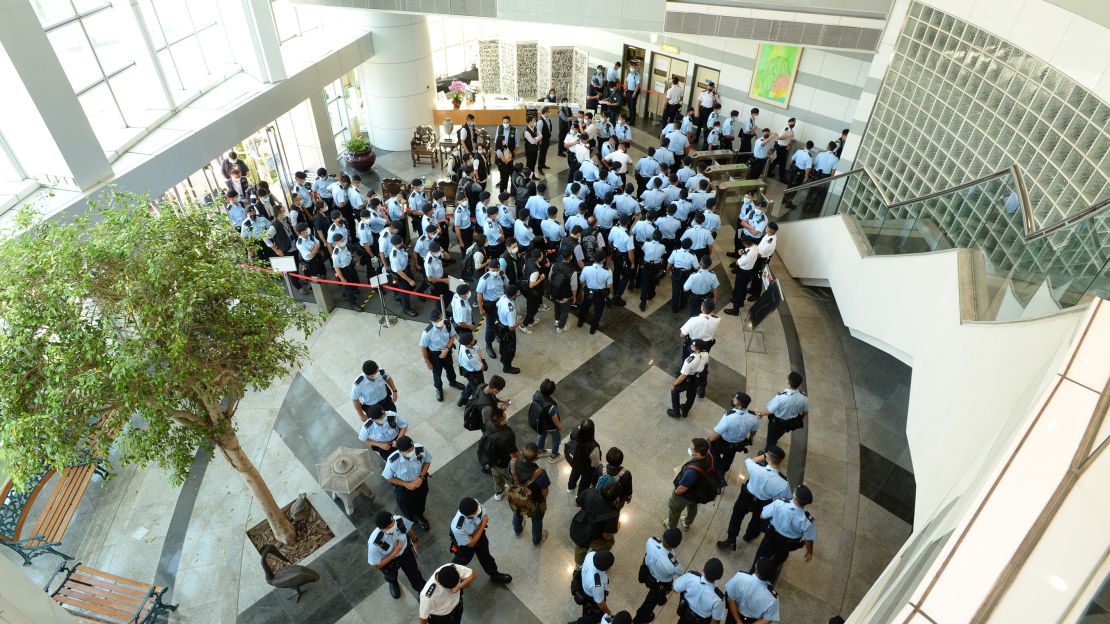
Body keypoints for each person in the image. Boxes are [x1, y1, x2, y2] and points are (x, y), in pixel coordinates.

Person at [717, 446, 790, 551]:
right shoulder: (783, 483)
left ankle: (731, 540)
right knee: (757, 520)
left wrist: (764, 456)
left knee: (737, 516)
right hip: (764, 502)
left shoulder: (755, 468)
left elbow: (749, 460)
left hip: (746, 496)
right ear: (781, 461)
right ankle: (749, 535)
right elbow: (786, 498)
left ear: (767, 457)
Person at [751, 485, 816, 581]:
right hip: (787, 545)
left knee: (761, 555)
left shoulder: (779, 504)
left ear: (794, 496)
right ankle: (769, 577)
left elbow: (762, 515)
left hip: (771, 537)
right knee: (778, 559)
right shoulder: (808, 520)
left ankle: (753, 573)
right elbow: (809, 539)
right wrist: (809, 551)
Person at [449, 497, 513, 584]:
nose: (478, 511)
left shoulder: (475, 504)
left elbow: (485, 517)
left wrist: (473, 535)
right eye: (475, 513)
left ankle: (494, 575)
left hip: (478, 537)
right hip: (464, 545)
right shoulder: (458, 527)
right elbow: (471, 544)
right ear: (467, 515)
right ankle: (453, 574)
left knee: (486, 557)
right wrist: (482, 526)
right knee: (463, 559)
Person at [368, 510, 426, 600]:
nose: (393, 526)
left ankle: (421, 590)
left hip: (405, 553)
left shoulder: (398, 520)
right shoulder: (374, 544)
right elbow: (376, 565)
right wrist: (395, 552)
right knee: (391, 575)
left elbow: (408, 529)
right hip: (389, 561)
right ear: (382, 529)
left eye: (393, 523)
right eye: (389, 527)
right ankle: (393, 582)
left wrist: (414, 540)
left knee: (414, 573)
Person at [633, 528, 684, 624]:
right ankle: (638, 619)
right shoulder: (674, 565)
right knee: (649, 604)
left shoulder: (651, 541)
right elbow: (682, 575)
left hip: (645, 572)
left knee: (649, 601)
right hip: (660, 585)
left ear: (662, 535)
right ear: (677, 545)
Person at [382, 436, 433, 531]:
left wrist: (421, 476)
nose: (412, 451)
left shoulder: (419, 449)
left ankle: (419, 516)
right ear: (401, 451)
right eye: (409, 451)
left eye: (412, 448)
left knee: (421, 499)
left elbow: (427, 461)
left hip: (420, 481)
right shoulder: (393, 461)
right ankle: (411, 518)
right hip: (404, 486)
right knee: (406, 504)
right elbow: (388, 477)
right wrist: (406, 484)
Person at [666, 437, 715, 530]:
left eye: (691, 448)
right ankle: (687, 522)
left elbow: (682, 489)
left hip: (685, 495)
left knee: (674, 510)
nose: (689, 448)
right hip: (697, 492)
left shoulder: (691, 472)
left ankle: (671, 527)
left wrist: (675, 493)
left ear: (697, 454)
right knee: (692, 506)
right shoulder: (709, 456)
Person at [708, 392, 760, 479]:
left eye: (735, 399)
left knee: (713, 452)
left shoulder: (729, 416)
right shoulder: (753, 416)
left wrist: (709, 441)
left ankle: (718, 472)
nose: (733, 400)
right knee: (728, 458)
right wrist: (751, 438)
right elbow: (754, 430)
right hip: (738, 444)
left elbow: (717, 433)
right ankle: (723, 470)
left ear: (739, 405)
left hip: (723, 441)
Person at [420, 308, 465, 402]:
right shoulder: (427, 333)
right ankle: (439, 388)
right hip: (435, 354)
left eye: (440, 319)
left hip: (447, 351)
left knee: (450, 368)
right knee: (437, 373)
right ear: (431, 321)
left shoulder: (448, 324)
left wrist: (447, 349)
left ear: (442, 316)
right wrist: (427, 362)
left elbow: (452, 337)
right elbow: (423, 348)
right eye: (436, 321)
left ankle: (452, 382)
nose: (439, 322)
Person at [511, 443, 551, 547]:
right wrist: (543, 500)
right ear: (537, 456)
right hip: (535, 502)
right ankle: (536, 541)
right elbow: (545, 491)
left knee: (517, 513)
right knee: (537, 521)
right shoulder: (540, 473)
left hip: (517, 497)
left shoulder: (512, 463)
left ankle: (518, 531)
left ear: (521, 453)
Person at [573, 483, 621, 565]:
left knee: (580, 546)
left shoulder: (589, 492)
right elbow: (606, 536)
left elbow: (575, 503)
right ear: (616, 498)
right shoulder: (613, 514)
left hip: (582, 528)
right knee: (609, 543)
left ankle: (579, 564)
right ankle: (596, 559)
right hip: (596, 537)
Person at [680, 299, 720, 398]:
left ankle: (685, 376)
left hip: (694, 345)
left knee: (687, 360)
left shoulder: (694, 320)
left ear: (702, 308)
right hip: (706, 346)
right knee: (703, 364)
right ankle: (702, 388)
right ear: (712, 310)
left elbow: (682, 334)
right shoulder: (717, 319)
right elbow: (712, 314)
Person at [481, 406, 520, 500]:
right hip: (504, 463)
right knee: (512, 479)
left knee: (496, 477)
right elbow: (513, 454)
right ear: (503, 420)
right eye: (504, 415)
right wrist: (520, 461)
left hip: (492, 461)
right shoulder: (507, 435)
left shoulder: (488, 423)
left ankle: (499, 492)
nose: (505, 414)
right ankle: (517, 495)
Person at [724, 559, 781, 624]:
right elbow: (767, 620)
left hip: (734, 613)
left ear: (756, 567)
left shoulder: (740, 577)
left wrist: (738, 620)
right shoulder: (773, 598)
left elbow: (730, 599)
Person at [762, 371, 810, 447]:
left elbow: (768, 411)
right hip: (789, 424)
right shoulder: (804, 397)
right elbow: (806, 413)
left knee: (770, 440)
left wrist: (761, 414)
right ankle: (774, 441)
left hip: (776, 423)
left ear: (788, 382)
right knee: (778, 434)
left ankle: (768, 454)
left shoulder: (781, 397)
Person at [673, 558, 727, 624]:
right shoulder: (719, 599)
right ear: (719, 577)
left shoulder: (691, 577)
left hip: (684, 616)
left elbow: (675, 588)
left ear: (703, 569)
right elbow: (715, 621)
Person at [475, 261, 509, 356]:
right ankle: (489, 345)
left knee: (501, 322)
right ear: (489, 268)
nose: (496, 272)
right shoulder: (484, 279)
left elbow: (507, 286)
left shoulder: (502, 274)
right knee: (490, 327)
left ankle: (498, 334)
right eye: (494, 270)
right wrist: (481, 308)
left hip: (501, 303)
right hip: (490, 304)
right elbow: (479, 294)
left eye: (497, 269)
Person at [669, 339, 710, 419]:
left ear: (697, 349)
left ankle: (676, 412)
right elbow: (705, 364)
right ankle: (685, 411)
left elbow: (683, 376)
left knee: (674, 390)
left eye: (693, 346)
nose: (691, 346)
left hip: (689, 379)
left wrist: (674, 384)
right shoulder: (705, 353)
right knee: (692, 394)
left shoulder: (689, 361)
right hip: (698, 378)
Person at [574, 550, 615, 624]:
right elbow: (600, 603)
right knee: (599, 612)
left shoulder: (591, 554)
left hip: (583, 580)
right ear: (607, 568)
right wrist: (609, 613)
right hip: (590, 595)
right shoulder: (597, 584)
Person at [578, 251, 613, 334]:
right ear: (604, 260)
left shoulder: (586, 268)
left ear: (593, 259)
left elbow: (581, 281)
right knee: (598, 311)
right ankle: (592, 328)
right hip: (600, 294)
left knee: (584, 307)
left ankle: (580, 322)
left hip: (589, 292)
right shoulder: (608, 271)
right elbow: (610, 286)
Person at [531, 378, 564, 461]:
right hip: (551, 427)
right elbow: (555, 420)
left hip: (541, 423)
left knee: (541, 435)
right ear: (551, 392)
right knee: (556, 439)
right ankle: (554, 454)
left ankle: (540, 450)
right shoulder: (551, 406)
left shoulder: (536, 395)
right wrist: (560, 427)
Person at [567, 418, 602, 495]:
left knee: (574, 474)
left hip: (576, 462)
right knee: (584, 481)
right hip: (586, 468)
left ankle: (570, 488)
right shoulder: (593, 447)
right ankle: (579, 495)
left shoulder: (576, 434)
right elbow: (595, 463)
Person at [725, 239, 759, 316]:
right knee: (743, 288)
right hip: (748, 271)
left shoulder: (750, 254)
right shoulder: (754, 247)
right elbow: (745, 252)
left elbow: (739, 262)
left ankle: (735, 309)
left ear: (746, 244)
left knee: (739, 289)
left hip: (743, 272)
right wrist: (742, 252)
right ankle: (740, 302)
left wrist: (738, 260)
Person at [495, 284, 523, 374]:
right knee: (509, 349)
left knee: (502, 345)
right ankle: (507, 367)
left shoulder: (503, 297)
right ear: (513, 295)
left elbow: (497, 304)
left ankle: (503, 358)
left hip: (500, 326)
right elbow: (511, 327)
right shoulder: (510, 309)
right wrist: (518, 322)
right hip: (508, 330)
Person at [638, 231, 666, 311]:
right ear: (660, 238)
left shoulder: (646, 244)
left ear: (653, 237)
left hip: (646, 265)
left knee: (644, 283)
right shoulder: (662, 246)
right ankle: (650, 294)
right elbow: (662, 254)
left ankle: (643, 302)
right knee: (653, 280)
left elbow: (643, 250)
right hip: (656, 266)